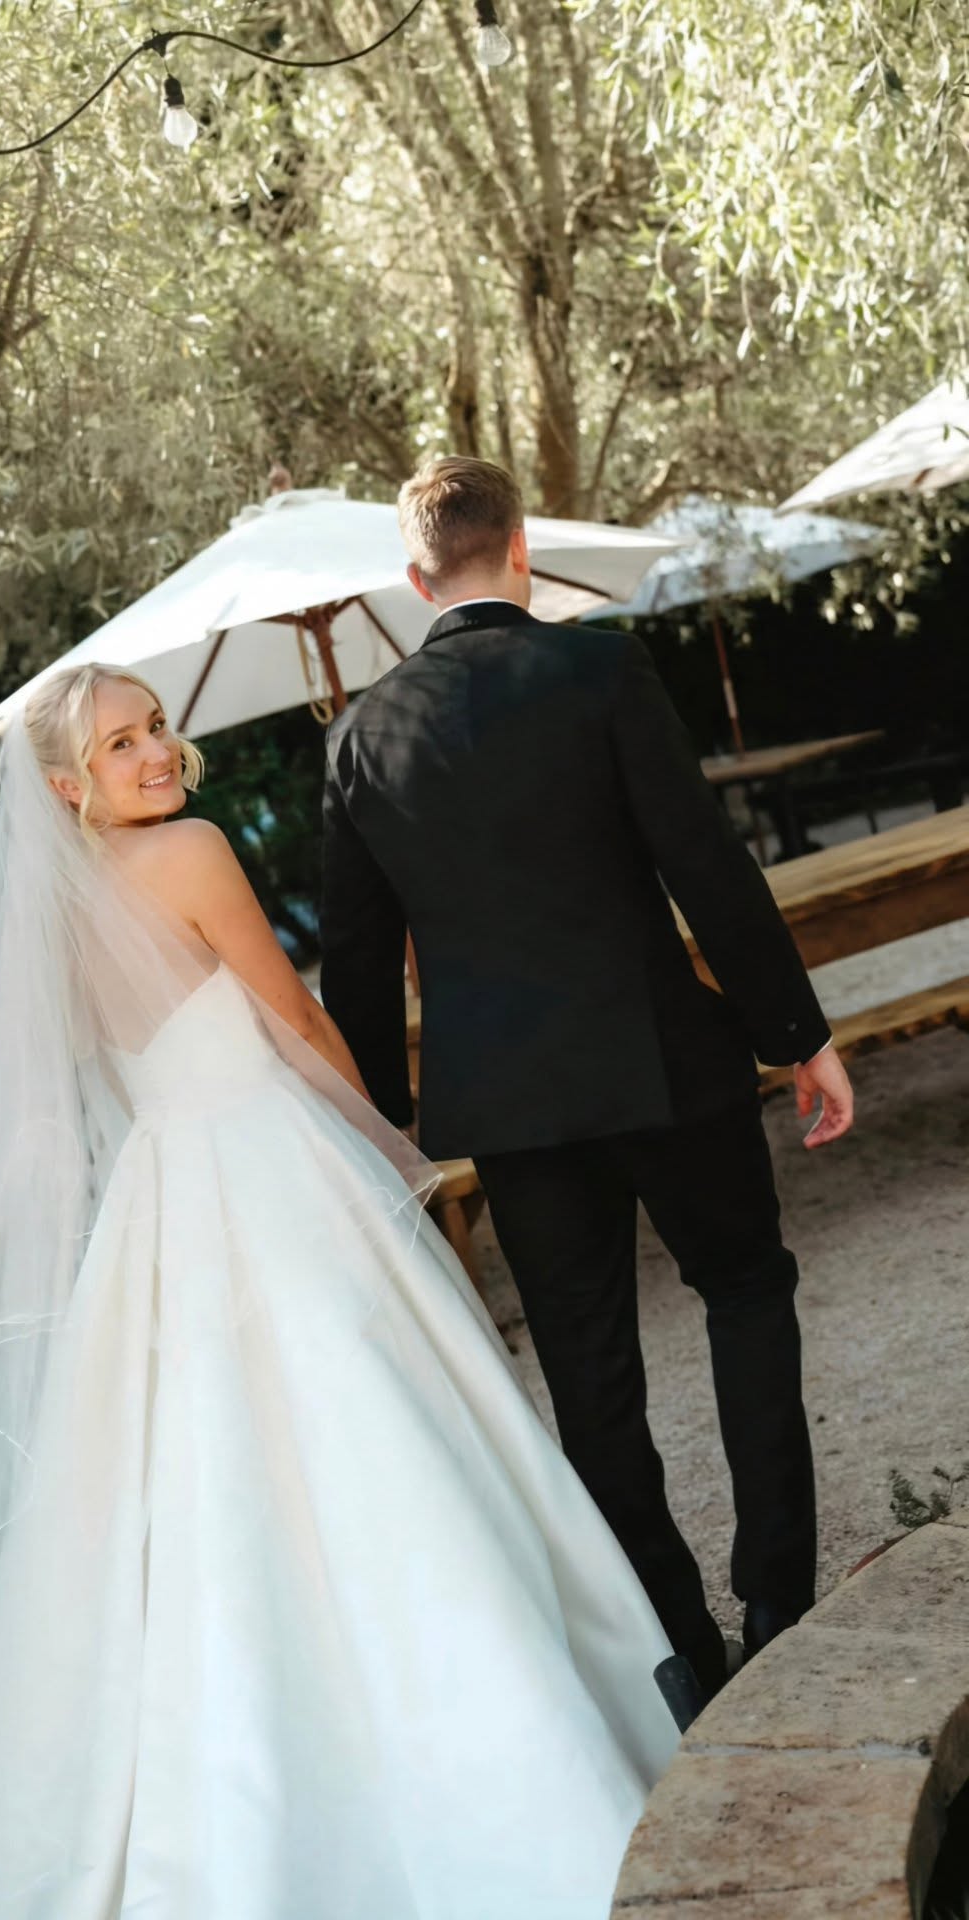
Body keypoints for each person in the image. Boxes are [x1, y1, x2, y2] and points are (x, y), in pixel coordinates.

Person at [0, 662, 680, 1920]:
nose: (159, 752)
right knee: (365, 1432)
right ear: (66, 786)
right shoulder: (193, 851)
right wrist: (387, 1148)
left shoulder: (49, 914)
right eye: (122, 743)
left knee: (186, 1479)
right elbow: (294, 1021)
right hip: (264, 1163)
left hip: (159, 1199)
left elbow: (86, 1093)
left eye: (156, 727)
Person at [319, 455, 855, 1708]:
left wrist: (380, 1125)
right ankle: (779, 1601)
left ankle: (684, 1652)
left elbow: (357, 966)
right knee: (746, 1291)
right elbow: (705, 867)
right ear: (521, 551)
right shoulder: (603, 670)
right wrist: (798, 1035)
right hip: (668, 1063)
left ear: (414, 583)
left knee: (589, 1375)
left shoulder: (357, 739)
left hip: (511, 1113)